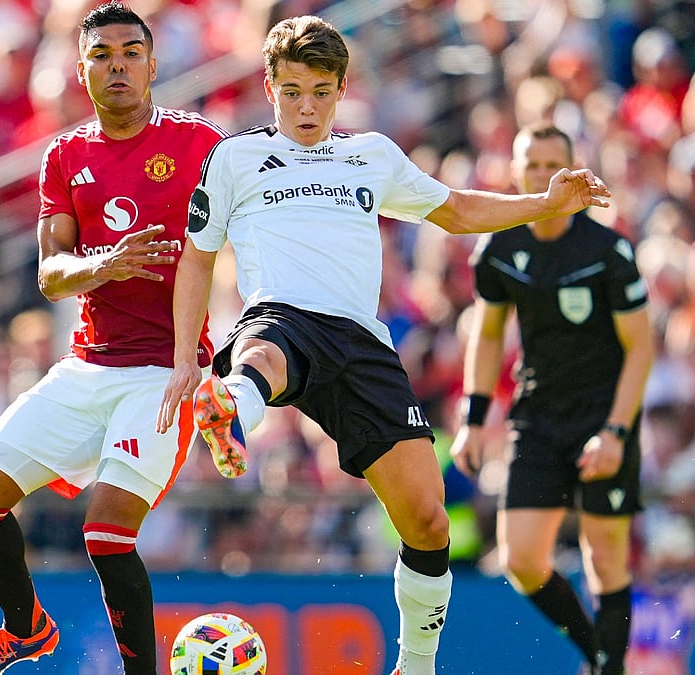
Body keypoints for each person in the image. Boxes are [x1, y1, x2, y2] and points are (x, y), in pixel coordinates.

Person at [155, 17, 612, 675]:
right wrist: (185, 359)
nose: (304, 106)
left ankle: (415, 667)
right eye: (290, 91)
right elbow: (197, 259)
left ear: (341, 89)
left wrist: (541, 203)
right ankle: (230, 406)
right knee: (265, 353)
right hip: (278, 316)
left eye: (318, 90)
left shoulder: (372, 153)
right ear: (268, 86)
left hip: (362, 343)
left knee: (428, 521)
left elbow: (454, 210)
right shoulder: (235, 158)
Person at [0, 3, 225, 674]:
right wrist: (105, 264)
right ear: (82, 71)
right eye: (102, 55)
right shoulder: (65, 155)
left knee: (105, 533)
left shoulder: (201, 143)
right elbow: (50, 271)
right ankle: (26, 629)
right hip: (88, 364)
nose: (118, 65)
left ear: (153, 66)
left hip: (163, 370)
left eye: (131, 52)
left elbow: (228, 243)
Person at [449, 123, 654, 675]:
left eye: (552, 164)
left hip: (603, 416)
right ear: (516, 173)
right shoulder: (499, 246)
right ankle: (600, 659)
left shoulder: (607, 249)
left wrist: (616, 432)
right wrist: (473, 419)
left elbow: (641, 348)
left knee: (605, 557)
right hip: (538, 416)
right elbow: (488, 334)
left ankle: (609, 669)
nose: (542, 174)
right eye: (531, 164)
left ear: (573, 170)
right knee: (520, 560)